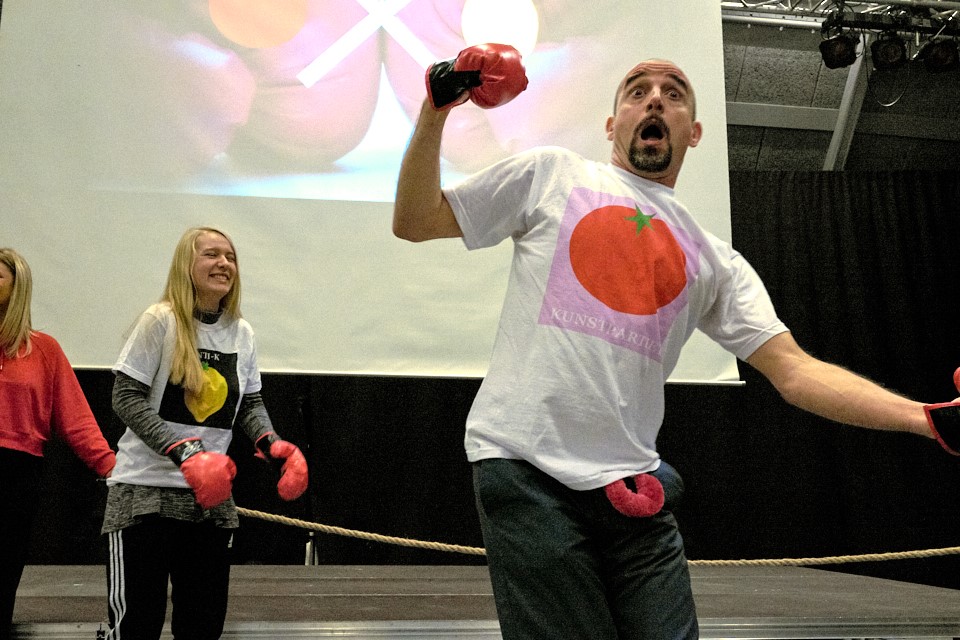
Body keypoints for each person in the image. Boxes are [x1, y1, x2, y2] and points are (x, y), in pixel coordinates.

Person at [393, 46, 960, 640]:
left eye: (674, 93)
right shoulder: (552, 175)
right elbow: (415, 219)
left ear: (694, 132)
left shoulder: (715, 259)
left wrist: (926, 419)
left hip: (635, 488)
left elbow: (795, 371)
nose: (655, 99)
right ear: (611, 125)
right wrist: (436, 110)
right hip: (525, 470)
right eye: (637, 91)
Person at [102, 226, 309, 639]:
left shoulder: (241, 331)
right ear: (186, 264)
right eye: (211, 254)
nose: (224, 263)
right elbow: (125, 397)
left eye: (230, 257)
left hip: (210, 503)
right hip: (145, 496)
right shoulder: (160, 320)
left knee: (202, 627)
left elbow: (248, 403)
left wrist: (272, 443)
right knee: (135, 627)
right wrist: (185, 452)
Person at [0, 248, 116, 640]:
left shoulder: (44, 350)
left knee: (3, 575)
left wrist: (111, 466)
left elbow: (76, 420)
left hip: (17, 475)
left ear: (18, 286)